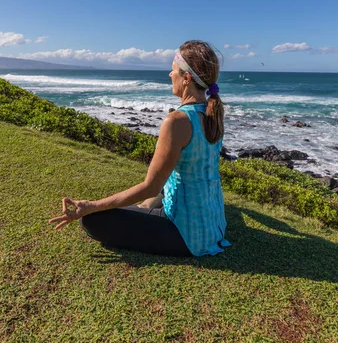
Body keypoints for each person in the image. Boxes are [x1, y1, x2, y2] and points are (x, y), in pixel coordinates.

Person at [49, 40, 231, 257]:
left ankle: (144, 211)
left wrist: (91, 205)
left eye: (173, 70)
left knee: (93, 220)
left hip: (186, 236)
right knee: (162, 190)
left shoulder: (177, 121)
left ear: (187, 78)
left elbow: (150, 187)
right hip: (213, 225)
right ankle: (146, 210)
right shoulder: (213, 114)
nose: (169, 75)